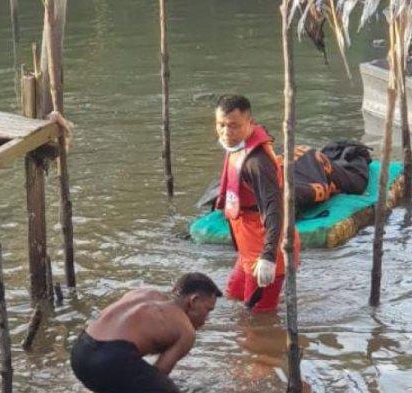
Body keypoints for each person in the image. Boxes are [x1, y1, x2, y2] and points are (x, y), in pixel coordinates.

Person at [214, 94, 300, 313]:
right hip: (247, 246)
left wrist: (269, 257)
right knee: (231, 297)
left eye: (233, 126)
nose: (226, 132)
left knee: (257, 317)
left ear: (249, 123)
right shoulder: (237, 146)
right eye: (221, 125)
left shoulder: (257, 163)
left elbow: (275, 209)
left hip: (264, 245)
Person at [71, 272, 222, 392]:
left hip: (80, 351)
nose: (206, 318)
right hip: (110, 361)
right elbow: (160, 372)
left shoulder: (145, 293)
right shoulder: (185, 330)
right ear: (193, 300)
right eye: (207, 310)